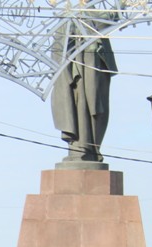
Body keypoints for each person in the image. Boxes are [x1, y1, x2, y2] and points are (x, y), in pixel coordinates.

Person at [50, 16, 117, 164]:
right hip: (75, 76)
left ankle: (90, 150)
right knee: (77, 108)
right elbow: (58, 49)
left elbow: (110, 19)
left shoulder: (95, 14)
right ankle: (79, 151)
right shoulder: (69, 18)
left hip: (93, 72)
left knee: (93, 107)